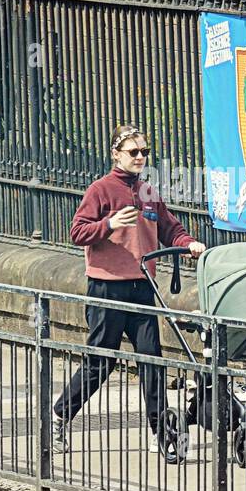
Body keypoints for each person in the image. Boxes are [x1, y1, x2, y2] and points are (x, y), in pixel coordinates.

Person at [53, 125, 205, 464]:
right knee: (100, 362)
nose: (140, 157)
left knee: (152, 359)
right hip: (107, 287)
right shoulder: (100, 190)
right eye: (133, 151)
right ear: (116, 153)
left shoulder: (149, 192)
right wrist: (109, 224)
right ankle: (60, 417)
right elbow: (78, 232)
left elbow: (170, 228)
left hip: (142, 287)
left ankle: (159, 431)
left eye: (144, 152)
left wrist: (188, 244)